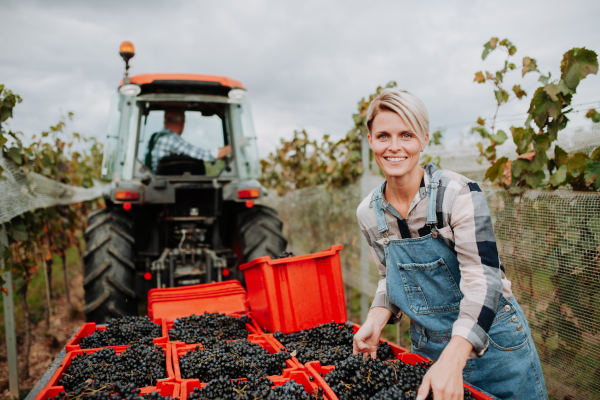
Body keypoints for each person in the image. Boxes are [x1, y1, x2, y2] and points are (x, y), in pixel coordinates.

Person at [352, 89, 548, 400]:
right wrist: (377, 318)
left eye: (406, 135)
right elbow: (389, 278)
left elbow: (484, 281)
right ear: (371, 140)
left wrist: (455, 355)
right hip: (429, 349)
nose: (394, 146)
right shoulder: (369, 213)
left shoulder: (457, 194)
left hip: (493, 348)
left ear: (424, 140)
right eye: (383, 135)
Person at [145, 108, 232, 174]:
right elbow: (206, 155)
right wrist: (232, 147)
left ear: (165, 121)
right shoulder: (169, 139)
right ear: (182, 123)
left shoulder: (156, 137)